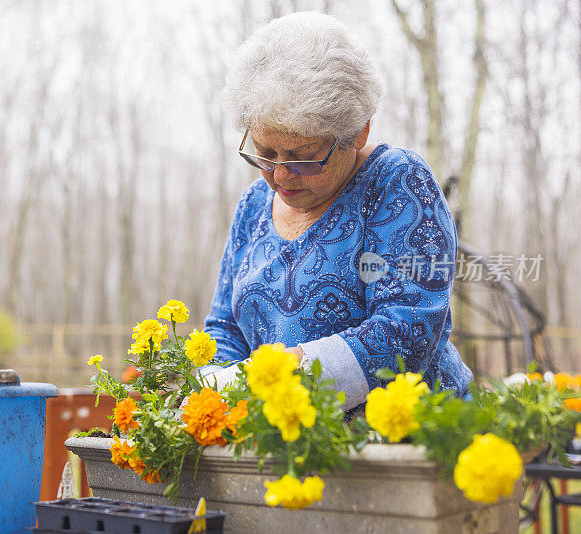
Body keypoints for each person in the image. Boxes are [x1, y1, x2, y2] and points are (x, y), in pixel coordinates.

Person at [198, 12, 472, 412]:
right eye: (265, 152)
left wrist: (276, 381)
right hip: (280, 442)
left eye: (303, 157)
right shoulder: (253, 205)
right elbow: (225, 329)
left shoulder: (397, 182)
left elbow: (405, 330)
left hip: (409, 440)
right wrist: (216, 397)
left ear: (358, 131)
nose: (279, 174)